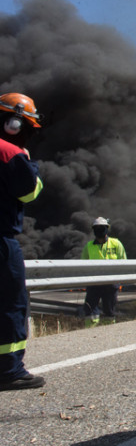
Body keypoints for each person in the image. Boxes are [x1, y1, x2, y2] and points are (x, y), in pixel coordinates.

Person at [0, 93, 45, 391]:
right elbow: (29, 193)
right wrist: (31, 166)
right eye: (26, 126)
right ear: (12, 123)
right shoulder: (10, 153)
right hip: (1, 240)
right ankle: (9, 370)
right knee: (11, 302)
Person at [80, 217, 127, 326]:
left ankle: (108, 334)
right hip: (94, 283)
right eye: (96, 228)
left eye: (102, 228)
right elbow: (83, 264)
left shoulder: (116, 243)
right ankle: (90, 333)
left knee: (109, 311)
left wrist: (120, 280)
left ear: (107, 228)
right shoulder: (89, 246)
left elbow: (123, 261)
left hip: (111, 282)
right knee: (90, 310)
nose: (99, 230)